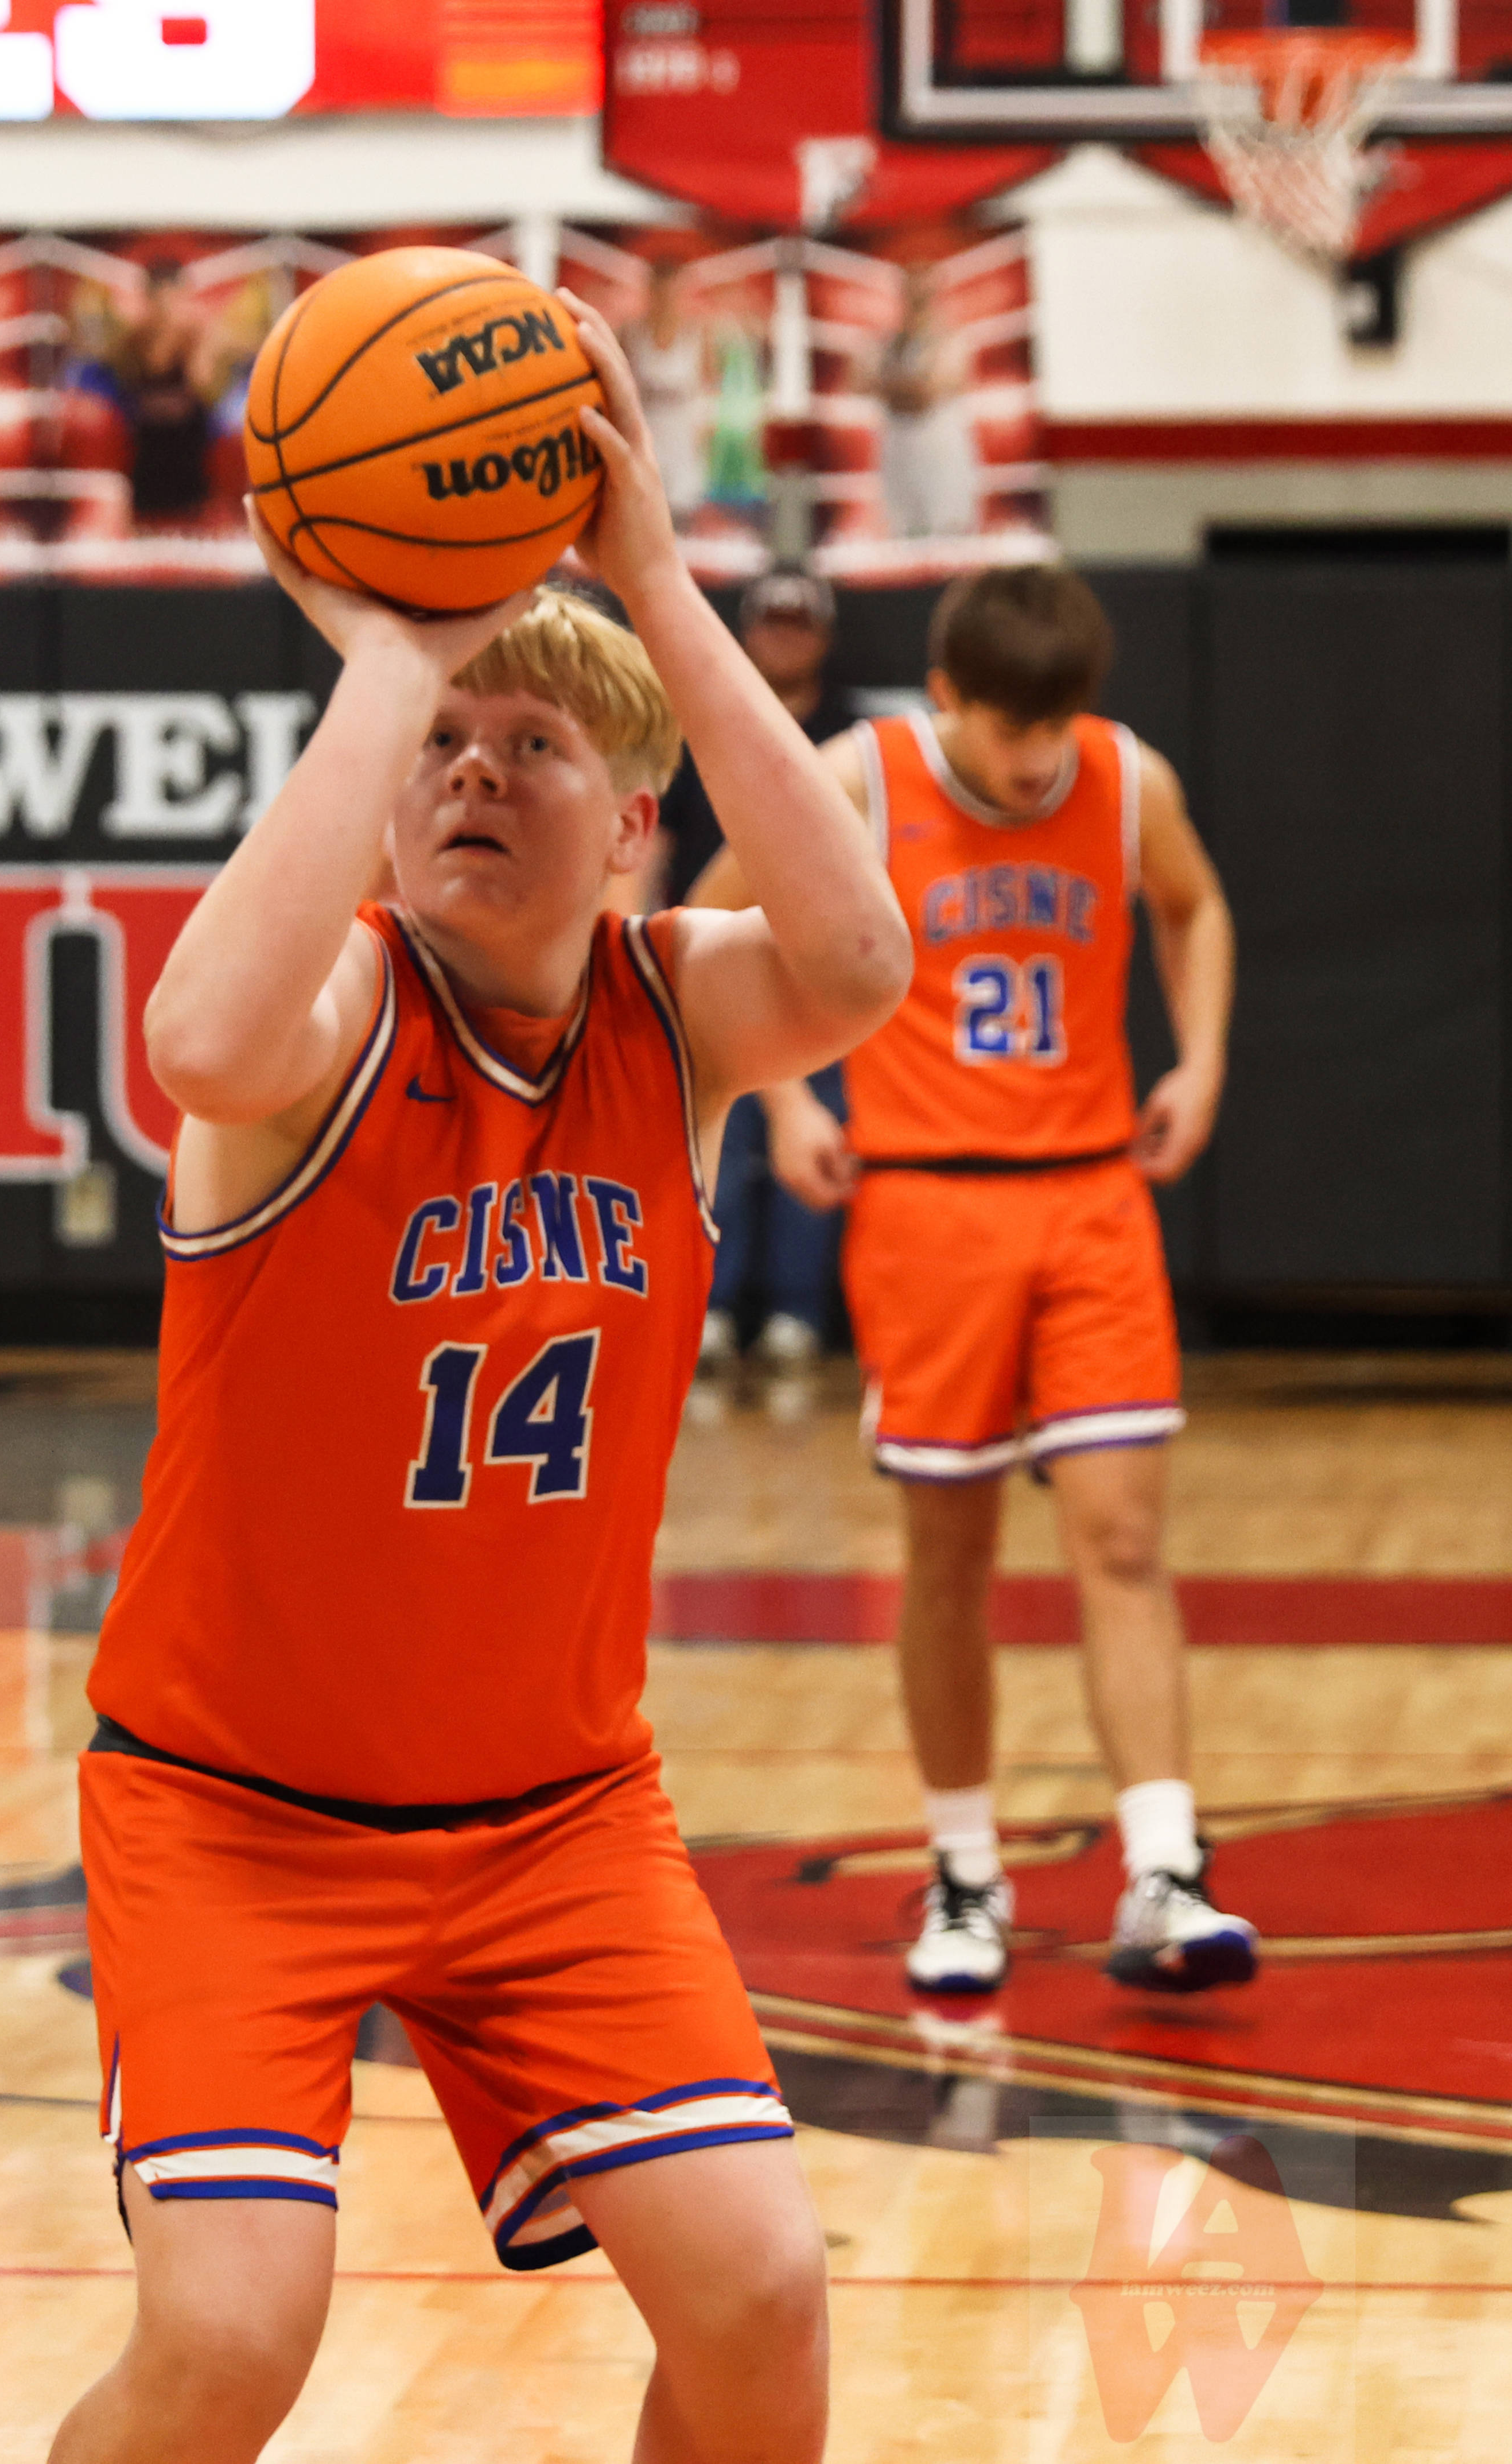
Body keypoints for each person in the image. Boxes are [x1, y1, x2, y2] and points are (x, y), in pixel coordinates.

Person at [50, 300, 908, 2463]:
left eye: (533, 746)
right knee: (231, 2339)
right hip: (235, 1814)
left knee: (764, 2297)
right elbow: (196, 1046)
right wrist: (391, 651)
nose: (472, 770)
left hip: (554, 1820)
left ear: (631, 827)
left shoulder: (671, 1013)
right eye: (443, 742)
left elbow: (862, 960)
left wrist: (657, 579)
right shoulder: (328, 1023)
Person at [691, 566, 1258, 1999]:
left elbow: (1193, 907)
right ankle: (962, 1870)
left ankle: (1165, 1868)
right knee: (947, 1554)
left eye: (1057, 723)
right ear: (945, 696)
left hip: (1090, 1197)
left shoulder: (1125, 780)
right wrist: (784, 1098)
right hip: (926, 1203)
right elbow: (710, 922)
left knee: (1121, 1539)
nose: (1036, 755)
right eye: (1012, 728)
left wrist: (1198, 1062)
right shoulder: (857, 777)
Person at [667, 568, 856, 1371]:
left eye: (798, 623)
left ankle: (795, 1311)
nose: (784, 636)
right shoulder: (705, 726)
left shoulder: (850, 741)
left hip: (818, 963)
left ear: (823, 636)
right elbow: (660, 849)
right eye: (772, 622)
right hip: (718, 954)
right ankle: (708, 1302)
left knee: (816, 1128)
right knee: (716, 1127)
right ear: (746, 631)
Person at [110, 260, 216, 528]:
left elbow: (203, 387)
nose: (167, 304)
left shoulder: (196, 332)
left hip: (187, 432)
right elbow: (129, 387)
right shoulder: (135, 337)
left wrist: (186, 341)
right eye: (160, 297)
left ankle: (193, 516)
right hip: (147, 434)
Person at [874, 266, 977, 542]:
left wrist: (893, 388)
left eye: (924, 292)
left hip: (939, 452)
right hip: (901, 451)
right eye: (912, 291)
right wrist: (908, 389)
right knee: (906, 532)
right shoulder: (891, 342)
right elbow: (861, 382)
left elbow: (928, 393)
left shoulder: (951, 339)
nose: (917, 299)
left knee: (946, 535)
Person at [623, 258, 706, 527]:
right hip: (646, 434)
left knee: (681, 518)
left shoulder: (698, 333)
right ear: (651, 292)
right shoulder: (630, 333)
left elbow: (709, 391)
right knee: (644, 513)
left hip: (682, 437)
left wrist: (702, 435)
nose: (666, 300)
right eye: (661, 293)